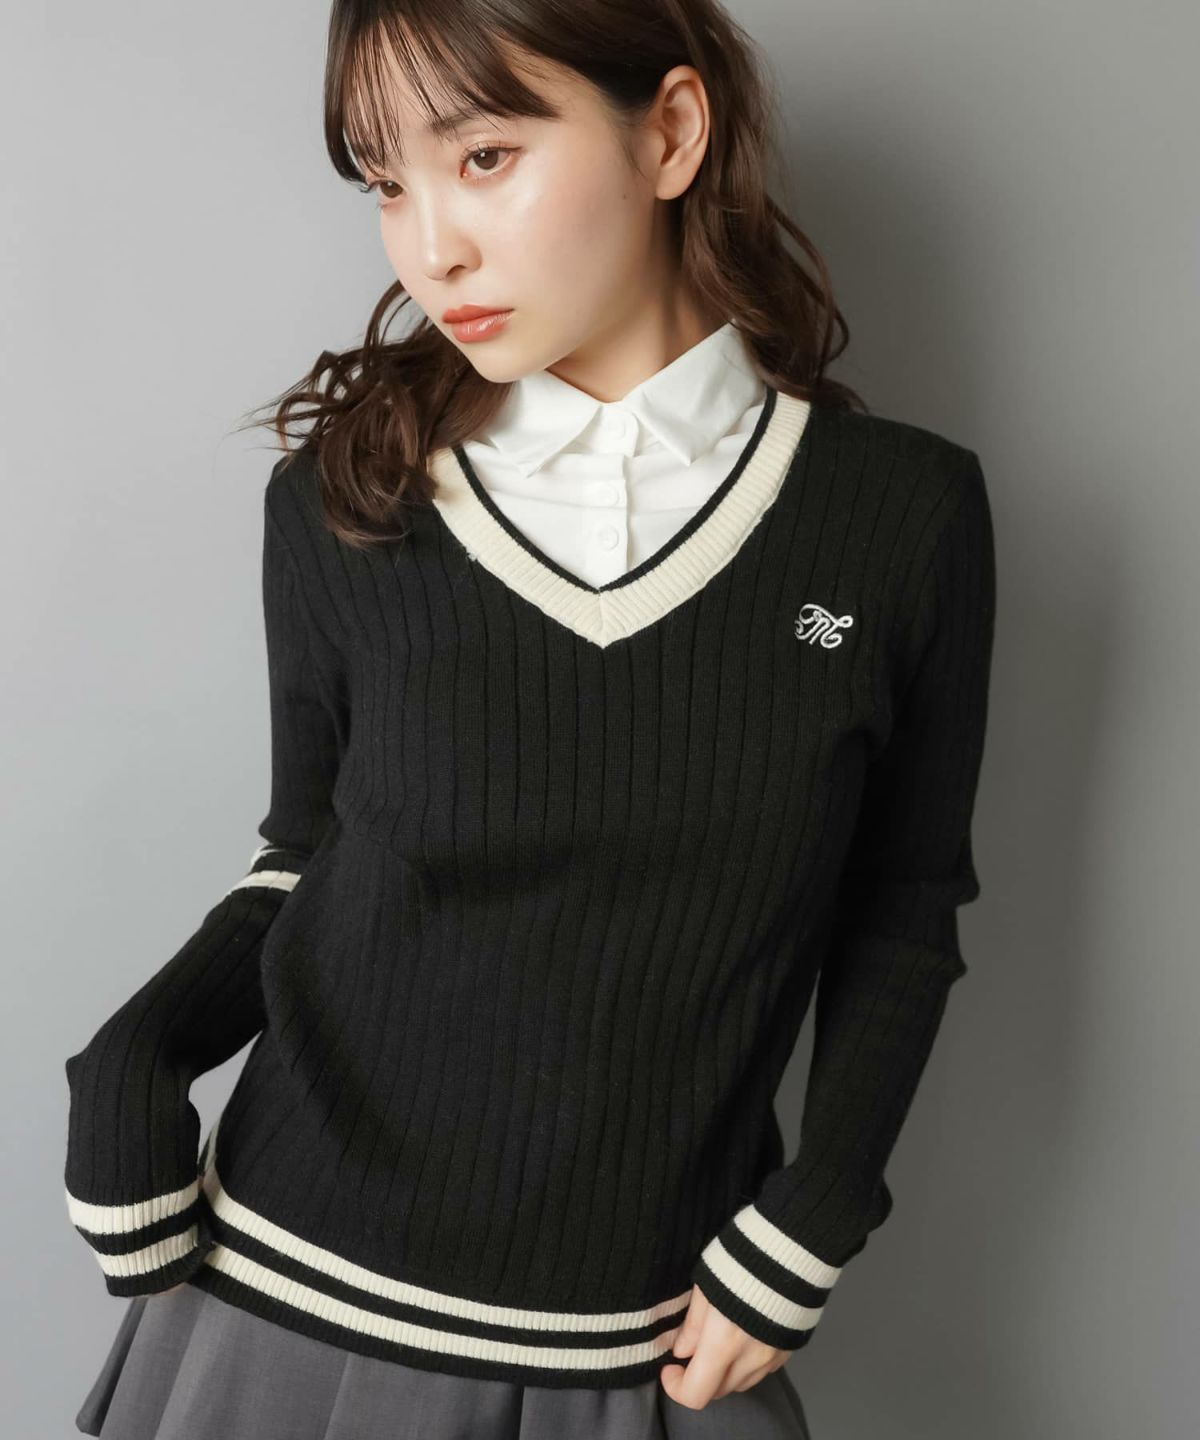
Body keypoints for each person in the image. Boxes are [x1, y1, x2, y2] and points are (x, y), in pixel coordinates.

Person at [63, 1, 997, 1437]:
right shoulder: (344, 501)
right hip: (284, 1303)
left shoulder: (901, 517)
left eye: (484, 157)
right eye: (387, 184)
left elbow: (902, 907)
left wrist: (819, 1209)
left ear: (669, 133)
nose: (429, 248)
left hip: (642, 1345)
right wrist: (135, 1056)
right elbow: (304, 852)